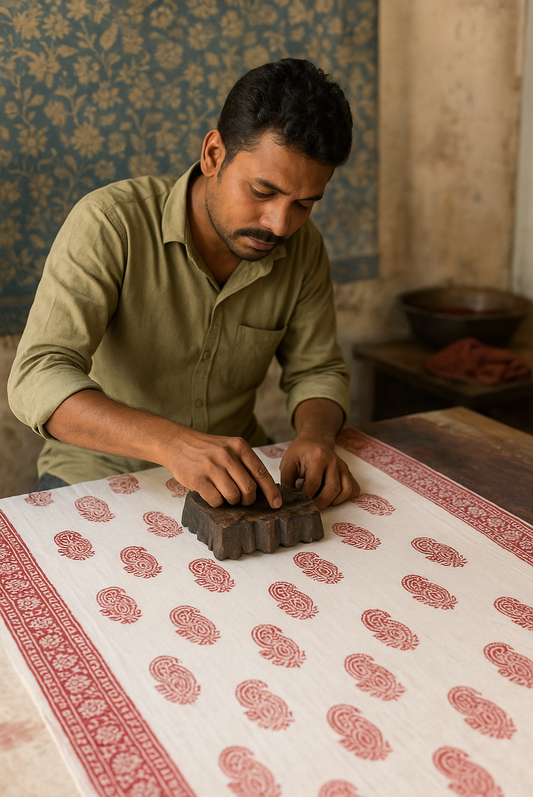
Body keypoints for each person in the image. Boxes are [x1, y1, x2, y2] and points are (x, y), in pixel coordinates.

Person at [8, 58, 360, 511]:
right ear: (214, 154)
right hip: (97, 471)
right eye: (262, 191)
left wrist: (316, 436)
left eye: (304, 204)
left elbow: (317, 371)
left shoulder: (304, 247)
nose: (278, 224)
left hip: (237, 479)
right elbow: (37, 374)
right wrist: (172, 444)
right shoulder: (110, 224)